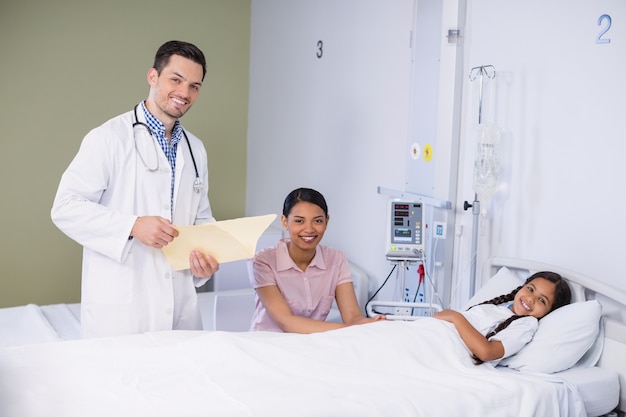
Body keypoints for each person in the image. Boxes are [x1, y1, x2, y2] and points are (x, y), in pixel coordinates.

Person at [51, 40, 219, 338]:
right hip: (124, 307)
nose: (185, 93)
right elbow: (65, 207)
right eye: (176, 80)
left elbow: (201, 220)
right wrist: (133, 225)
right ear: (153, 77)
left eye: (195, 86)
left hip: (180, 306)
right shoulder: (109, 138)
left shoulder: (196, 149)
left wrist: (203, 264)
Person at [249, 187, 386, 333]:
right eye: (299, 221)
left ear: (326, 221)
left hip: (311, 344)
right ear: (284, 221)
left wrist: (369, 323)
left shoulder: (336, 259)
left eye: (318, 221)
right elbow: (286, 322)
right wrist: (349, 328)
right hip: (267, 345)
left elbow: (353, 317)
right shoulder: (263, 261)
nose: (309, 229)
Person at [434, 271, 571, 364]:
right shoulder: (499, 308)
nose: (530, 298)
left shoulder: (526, 325)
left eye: (542, 300)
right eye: (530, 289)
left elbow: (486, 352)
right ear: (522, 287)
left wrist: (456, 317)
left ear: (549, 312)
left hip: (446, 351)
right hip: (435, 337)